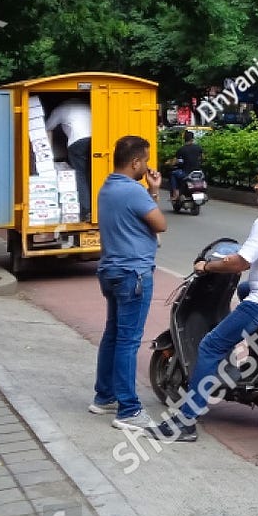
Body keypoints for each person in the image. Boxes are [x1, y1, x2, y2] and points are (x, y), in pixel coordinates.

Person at [146, 163, 258, 443]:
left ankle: (186, 422)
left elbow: (240, 262)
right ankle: (253, 357)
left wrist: (208, 266)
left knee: (210, 345)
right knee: (244, 288)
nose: (255, 186)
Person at [89, 135, 165, 430]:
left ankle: (104, 396)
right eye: (145, 161)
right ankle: (129, 410)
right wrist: (154, 192)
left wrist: (150, 190)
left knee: (113, 335)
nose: (147, 166)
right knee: (128, 341)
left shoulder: (107, 187)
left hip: (111, 271)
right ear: (135, 162)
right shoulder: (133, 191)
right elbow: (160, 224)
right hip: (133, 274)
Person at [45, 98, 93, 221]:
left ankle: (86, 210)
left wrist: (48, 156)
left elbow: (48, 128)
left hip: (77, 142)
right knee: (93, 173)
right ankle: (97, 208)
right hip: (97, 139)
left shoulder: (60, 109)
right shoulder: (86, 104)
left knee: (80, 174)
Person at [170, 130, 204, 201]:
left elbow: (174, 162)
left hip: (186, 173)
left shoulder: (181, 149)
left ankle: (175, 193)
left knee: (173, 174)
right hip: (198, 173)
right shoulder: (198, 148)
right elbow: (203, 158)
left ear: (184, 139)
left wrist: (171, 163)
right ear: (192, 139)